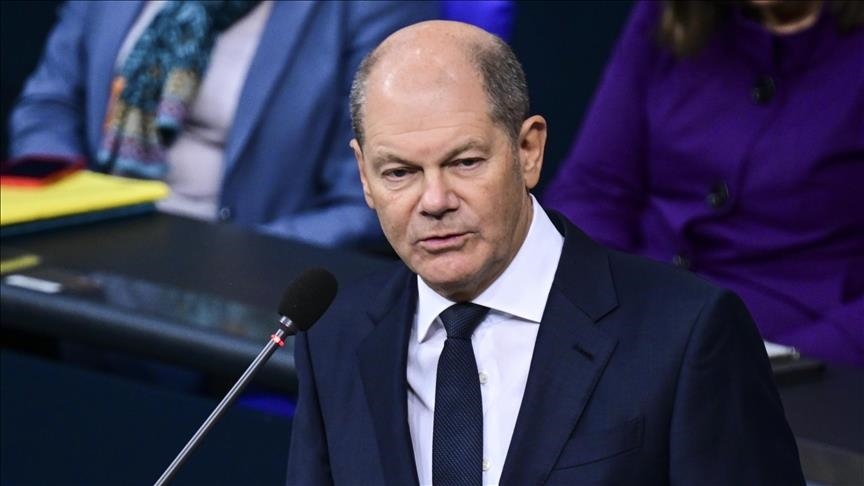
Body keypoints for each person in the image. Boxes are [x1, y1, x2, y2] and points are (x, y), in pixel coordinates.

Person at [286, 20, 804, 485]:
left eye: (465, 162)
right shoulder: (334, 336)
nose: (435, 201)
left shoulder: (687, 335)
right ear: (365, 176)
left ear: (528, 150)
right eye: (400, 172)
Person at [542, 0, 864, 366]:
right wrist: (601, 309)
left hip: (794, 358)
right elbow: (594, 189)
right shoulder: (668, 13)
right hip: (631, 320)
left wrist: (787, 364)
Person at [7, 0, 439, 250]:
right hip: (87, 245)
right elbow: (47, 105)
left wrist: (230, 256)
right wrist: (68, 206)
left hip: (243, 271)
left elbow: (373, 200)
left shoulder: (369, 8)